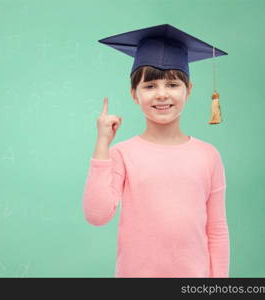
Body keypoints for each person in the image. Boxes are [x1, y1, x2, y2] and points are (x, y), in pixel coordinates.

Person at [82, 24, 229, 278]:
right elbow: (97, 215)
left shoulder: (208, 156)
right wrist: (102, 145)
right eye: (149, 86)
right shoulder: (122, 154)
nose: (162, 94)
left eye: (172, 84)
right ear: (134, 94)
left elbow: (216, 230)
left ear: (188, 90)